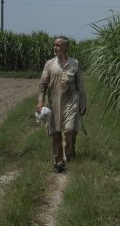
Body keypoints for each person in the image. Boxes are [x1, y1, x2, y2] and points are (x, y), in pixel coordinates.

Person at [36, 36, 87, 172]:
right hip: (54, 104)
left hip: (71, 103)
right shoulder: (49, 64)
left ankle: (69, 155)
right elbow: (42, 85)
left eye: (58, 45)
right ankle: (58, 161)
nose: (55, 47)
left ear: (65, 47)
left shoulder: (74, 63)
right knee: (56, 133)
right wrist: (40, 101)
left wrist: (83, 102)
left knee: (70, 131)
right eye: (54, 45)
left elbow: (80, 85)